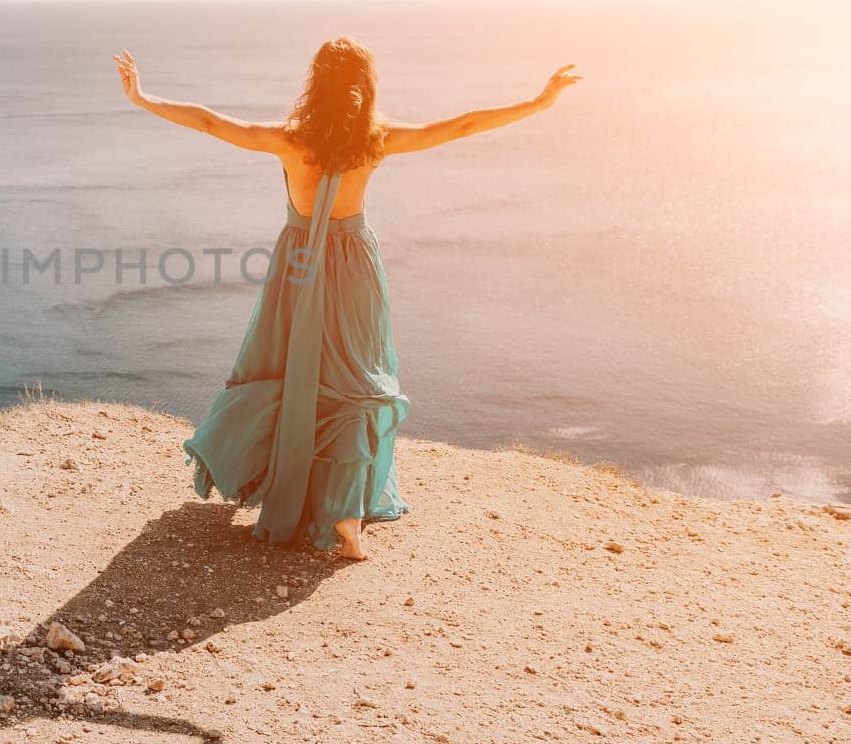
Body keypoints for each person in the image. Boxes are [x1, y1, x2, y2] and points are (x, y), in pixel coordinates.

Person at [114, 40, 583, 559]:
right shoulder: (375, 142)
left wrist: (143, 98)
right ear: (365, 83)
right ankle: (346, 515)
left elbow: (209, 122)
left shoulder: (290, 140)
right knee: (354, 377)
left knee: (292, 371)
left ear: (316, 83)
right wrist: (538, 103)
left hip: (299, 265)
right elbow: (461, 126)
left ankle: (282, 484)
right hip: (355, 263)